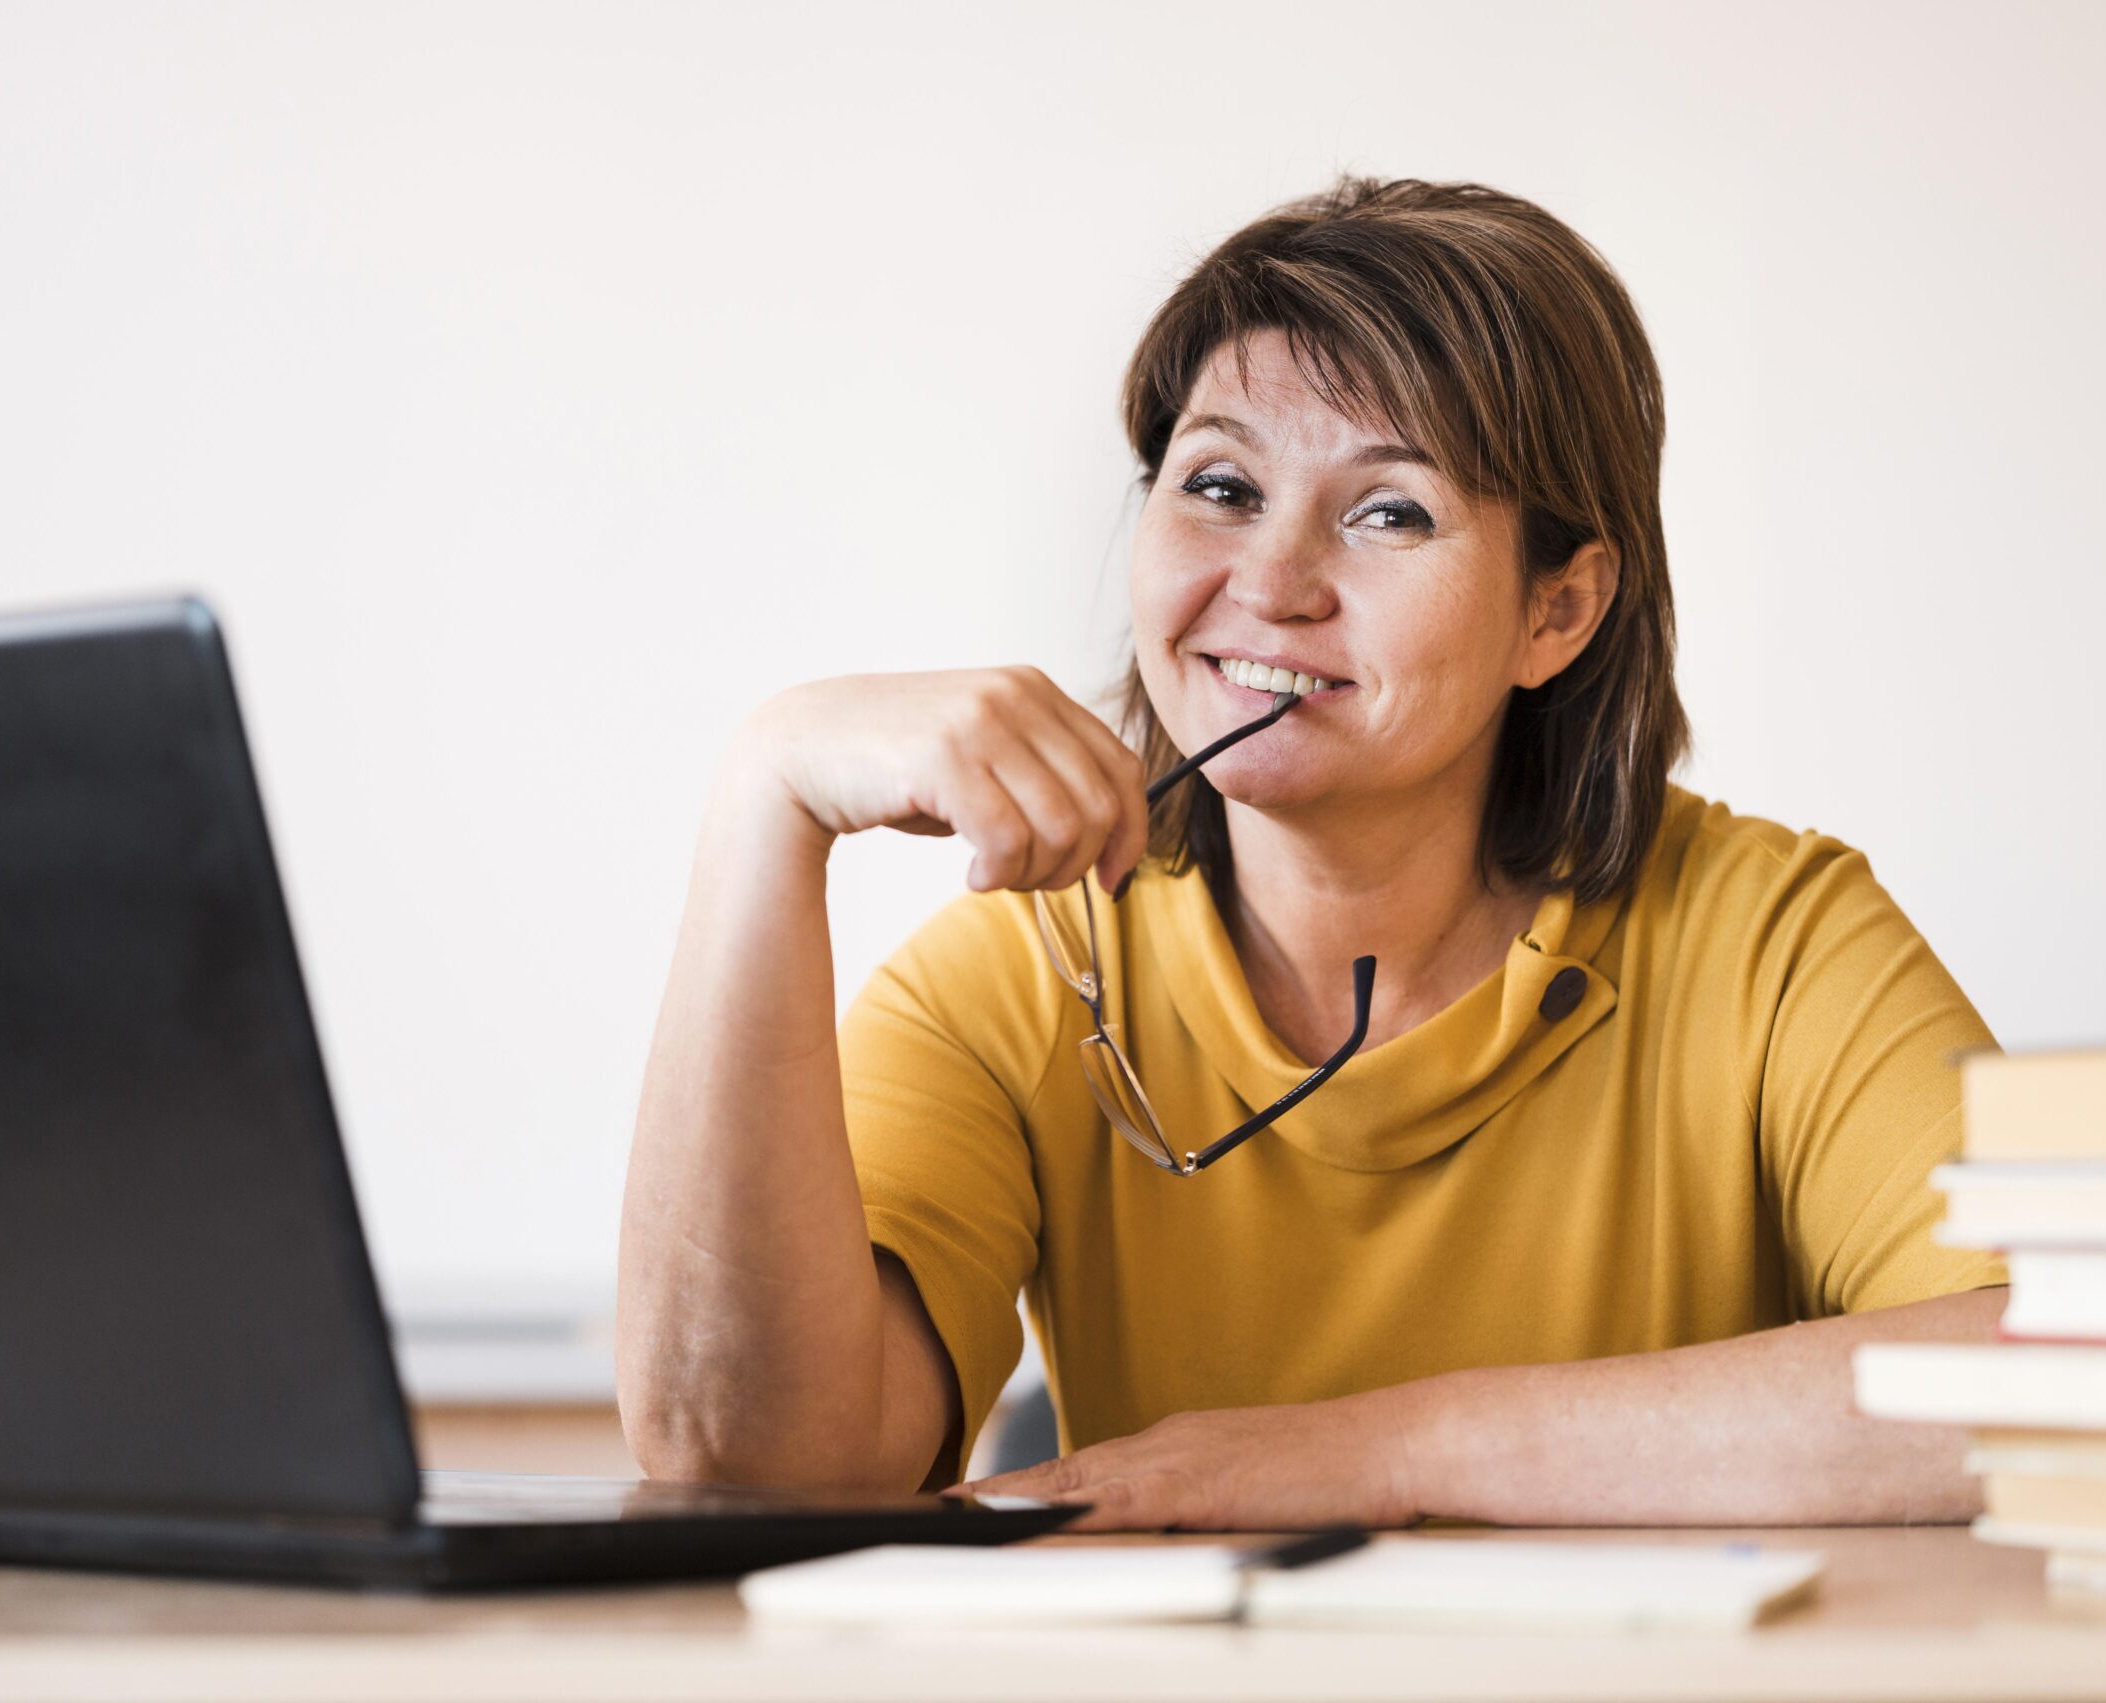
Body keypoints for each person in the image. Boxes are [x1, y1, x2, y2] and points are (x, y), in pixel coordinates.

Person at [615, 176, 2006, 1531]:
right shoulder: (1025, 972)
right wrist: (765, 806)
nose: (1270, 586)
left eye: (1389, 510)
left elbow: (2075, 1371)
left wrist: (1388, 1449)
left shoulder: (1774, 938)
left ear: (1558, 611)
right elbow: (744, 1466)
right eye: (1219, 486)